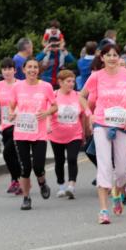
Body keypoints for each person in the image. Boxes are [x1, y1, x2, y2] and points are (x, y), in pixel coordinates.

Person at [80, 43, 126, 224]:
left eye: (115, 55)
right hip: (102, 124)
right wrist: (90, 115)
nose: (112, 58)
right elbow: (81, 96)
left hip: (124, 126)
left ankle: (117, 192)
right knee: (104, 165)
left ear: (119, 57)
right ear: (102, 58)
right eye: (108, 55)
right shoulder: (96, 77)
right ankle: (103, 210)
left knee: (122, 169)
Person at [8, 58, 56, 210]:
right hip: (21, 133)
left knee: (38, 166)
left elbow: (55, 106)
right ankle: (26, 197)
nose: (32, 70)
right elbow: (11, 105)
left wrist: (47, 112)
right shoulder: (17, 87)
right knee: (25, 168)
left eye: (35, 67)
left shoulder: (46, 87)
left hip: (39, 133)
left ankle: (42, 183)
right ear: (23, 69)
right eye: (29, 67)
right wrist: (11, 114)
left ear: (38, 70)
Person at [48, 69, 85, 198]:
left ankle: (71, 186)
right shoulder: (53, 95)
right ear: (60, 82)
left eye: (73, 81)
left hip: (75, 134)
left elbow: (83, 115)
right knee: (59, 161)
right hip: (56, 135)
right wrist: (47, 126)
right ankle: (61, 186)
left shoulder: (78, 95)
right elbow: (47, 113)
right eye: (68, 81)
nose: (71, 84)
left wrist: (85, 132)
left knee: (72, 159)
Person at [0, 58, 21, 194]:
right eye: (4, 69)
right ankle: (16, 180)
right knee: (11, 155)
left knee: (7, 153)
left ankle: (20, 180)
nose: (7, 71)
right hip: (5, 125)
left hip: (19, 125)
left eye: (9, 69)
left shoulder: (20, 85)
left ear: (14, 70)